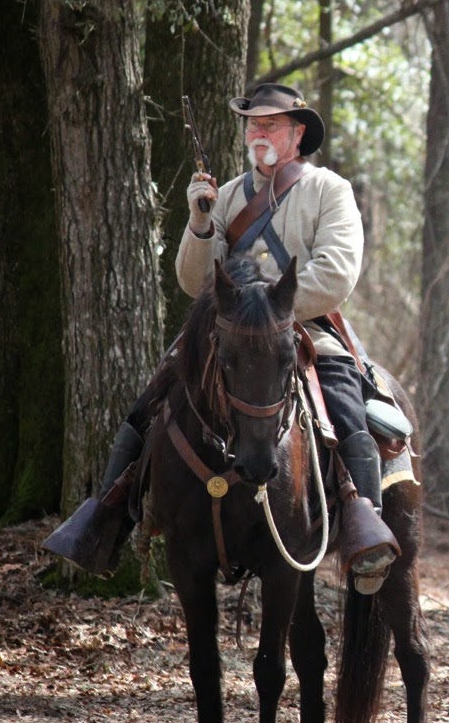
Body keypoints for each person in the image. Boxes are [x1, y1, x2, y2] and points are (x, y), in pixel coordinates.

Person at [44, 84, 398, 590]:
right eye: (253, 125)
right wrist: (201, 221)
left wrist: (269, 314)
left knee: (346, 410)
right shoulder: (226, 196)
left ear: (298, 134)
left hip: (303, 329)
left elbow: (337, 273)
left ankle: (366, 531)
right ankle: (107, 519)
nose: (259, 133)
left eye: (271, 124)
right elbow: (194, 281)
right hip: (225, 337)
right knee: (148, 408)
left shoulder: (329, 190)